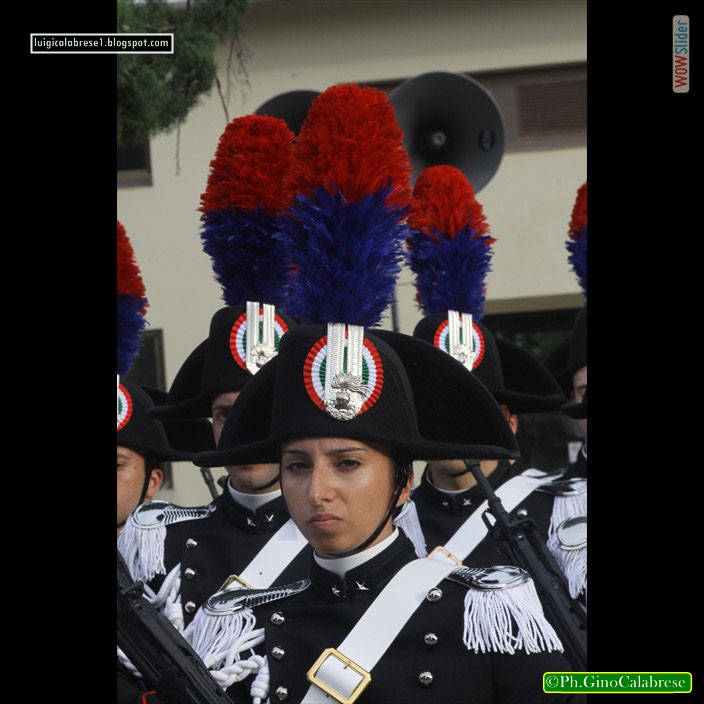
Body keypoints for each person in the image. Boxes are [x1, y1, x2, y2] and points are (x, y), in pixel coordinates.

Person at [175, 82, 583, 704]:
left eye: (347, 462)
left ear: (402, 480)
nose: (317, 491)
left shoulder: (489, 614)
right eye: (297, 465)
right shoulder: (241, 627)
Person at [118, 114, 312, 633]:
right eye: (227, 414)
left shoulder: (346, 537)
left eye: (261, 411)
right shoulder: (159, 544)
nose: (243, 432)